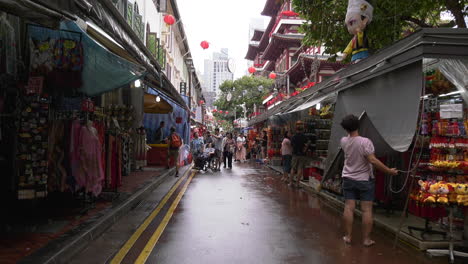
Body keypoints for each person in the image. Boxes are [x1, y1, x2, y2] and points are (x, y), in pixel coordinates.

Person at [340, 114, 398, 247]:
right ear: (358, 126)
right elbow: (372, 160)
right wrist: (389, 171)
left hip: (348, 178)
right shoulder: (365, 142)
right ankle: (366, 239)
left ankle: (348, 236)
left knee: (349, 207)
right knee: (366, 210)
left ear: (345, 129)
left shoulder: (343, 141)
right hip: (364, 180)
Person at [290, 122, 310, 188]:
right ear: (302, 130)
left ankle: (291, 183)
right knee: (300, 169)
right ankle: (297, 184)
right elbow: (307, 143)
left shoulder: (294, 137)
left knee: (293, 168)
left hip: (295, 154)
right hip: (302, 154)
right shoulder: (305, 137)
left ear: (296, 130)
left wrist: (293, 150)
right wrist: (305, 149)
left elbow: (291, 145)